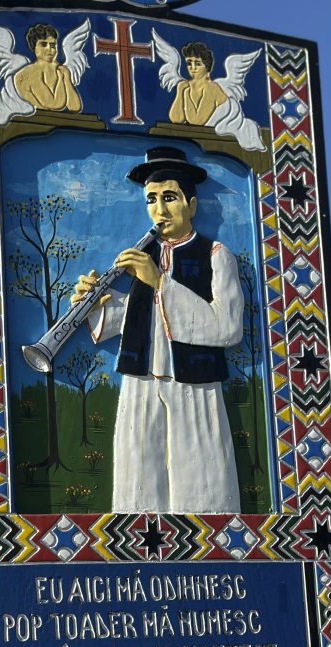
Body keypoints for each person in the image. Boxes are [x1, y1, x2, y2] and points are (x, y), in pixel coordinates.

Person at [72, 147, 243, 514]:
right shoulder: (146, 254)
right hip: (140, 384)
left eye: (170, 198)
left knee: (202, 489)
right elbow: (138, 319)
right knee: (137, 488)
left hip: (193, 387)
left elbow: (228, 327)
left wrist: (159, 282)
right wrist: (95, 305)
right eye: (152, 200)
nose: (160, 211)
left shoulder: (216, 255)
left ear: (192, 205)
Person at [14, 24, 81, 113]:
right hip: (37, 122)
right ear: (34, 47)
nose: (50, 49)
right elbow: (55, 104)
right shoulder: (28, 74)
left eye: (52, 45)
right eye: (43, 44)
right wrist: (61, 79)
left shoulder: (60, 69)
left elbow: (75, 107)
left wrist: (67, 79)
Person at [168, 42, 227, 127]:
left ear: (206, 66)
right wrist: (180, 91)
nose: (193, 68)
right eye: (189, 63)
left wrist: (186, 93)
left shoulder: (212, 88)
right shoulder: (182, 86)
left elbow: (197, 121)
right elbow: (176, 119)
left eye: (198, 63)